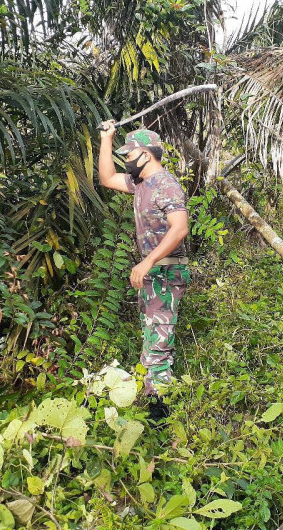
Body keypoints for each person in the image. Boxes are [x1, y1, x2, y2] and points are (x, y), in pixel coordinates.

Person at [98, 120, 190, 421]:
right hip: (153, 274)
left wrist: (148, 261)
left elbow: (180, 228)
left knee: (159, 341)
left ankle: (160, 414)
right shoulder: (140, 183)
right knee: (152, 336)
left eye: (128, 155)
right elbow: (107, 178)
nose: (126, 160)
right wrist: (107, 138)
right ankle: (153, 397)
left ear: (145, 155)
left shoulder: (166, 185)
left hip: (167, 272)